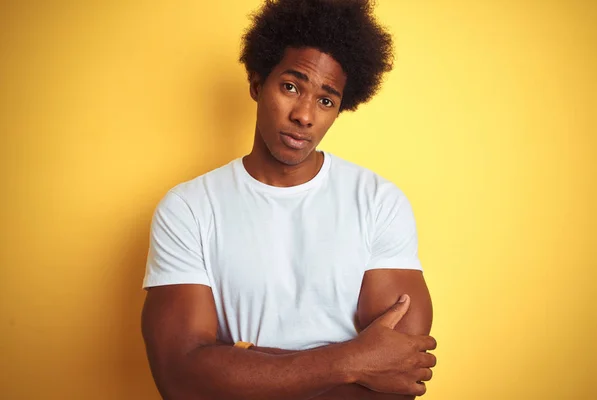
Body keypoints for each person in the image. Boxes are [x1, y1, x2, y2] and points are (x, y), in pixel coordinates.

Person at [141, 0, 437, 399]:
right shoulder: (189, 208)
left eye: (326, 100)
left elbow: (402, 376)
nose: (305, 115)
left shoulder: (378, 201)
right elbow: (181, 379)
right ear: (258, 83)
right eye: (291, 86)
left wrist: (245, 363)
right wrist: (349, 361)